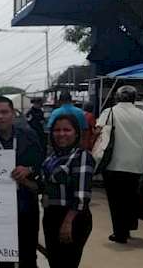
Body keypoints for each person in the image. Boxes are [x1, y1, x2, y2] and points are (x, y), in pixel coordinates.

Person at [0, 96, 43, 268]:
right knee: (3, 254)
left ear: (13, 114)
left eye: (4, 112)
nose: (0, 117)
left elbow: (42, 164)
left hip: (26, 204)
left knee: (28, 254)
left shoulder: (30, 136)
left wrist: (29, 169)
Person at [30, 115, 94, 268]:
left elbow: (82, 196)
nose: (61, 134)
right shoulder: (53, 157)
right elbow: (42, 186)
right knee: (55, 262)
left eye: (67, 130)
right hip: (51, 216)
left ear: (76, 133)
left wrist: (67, 223)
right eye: (57, 130)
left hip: (73, 218)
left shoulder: (81, 156)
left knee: (67, 263)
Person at [95, 85, 143, 244]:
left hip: (113, 164)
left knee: (116, 200)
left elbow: (97, 131)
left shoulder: (109, 112)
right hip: (136, 165)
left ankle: (120, 234)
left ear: (116, 97)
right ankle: (126, 229)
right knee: (130, 198)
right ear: (134, 98)